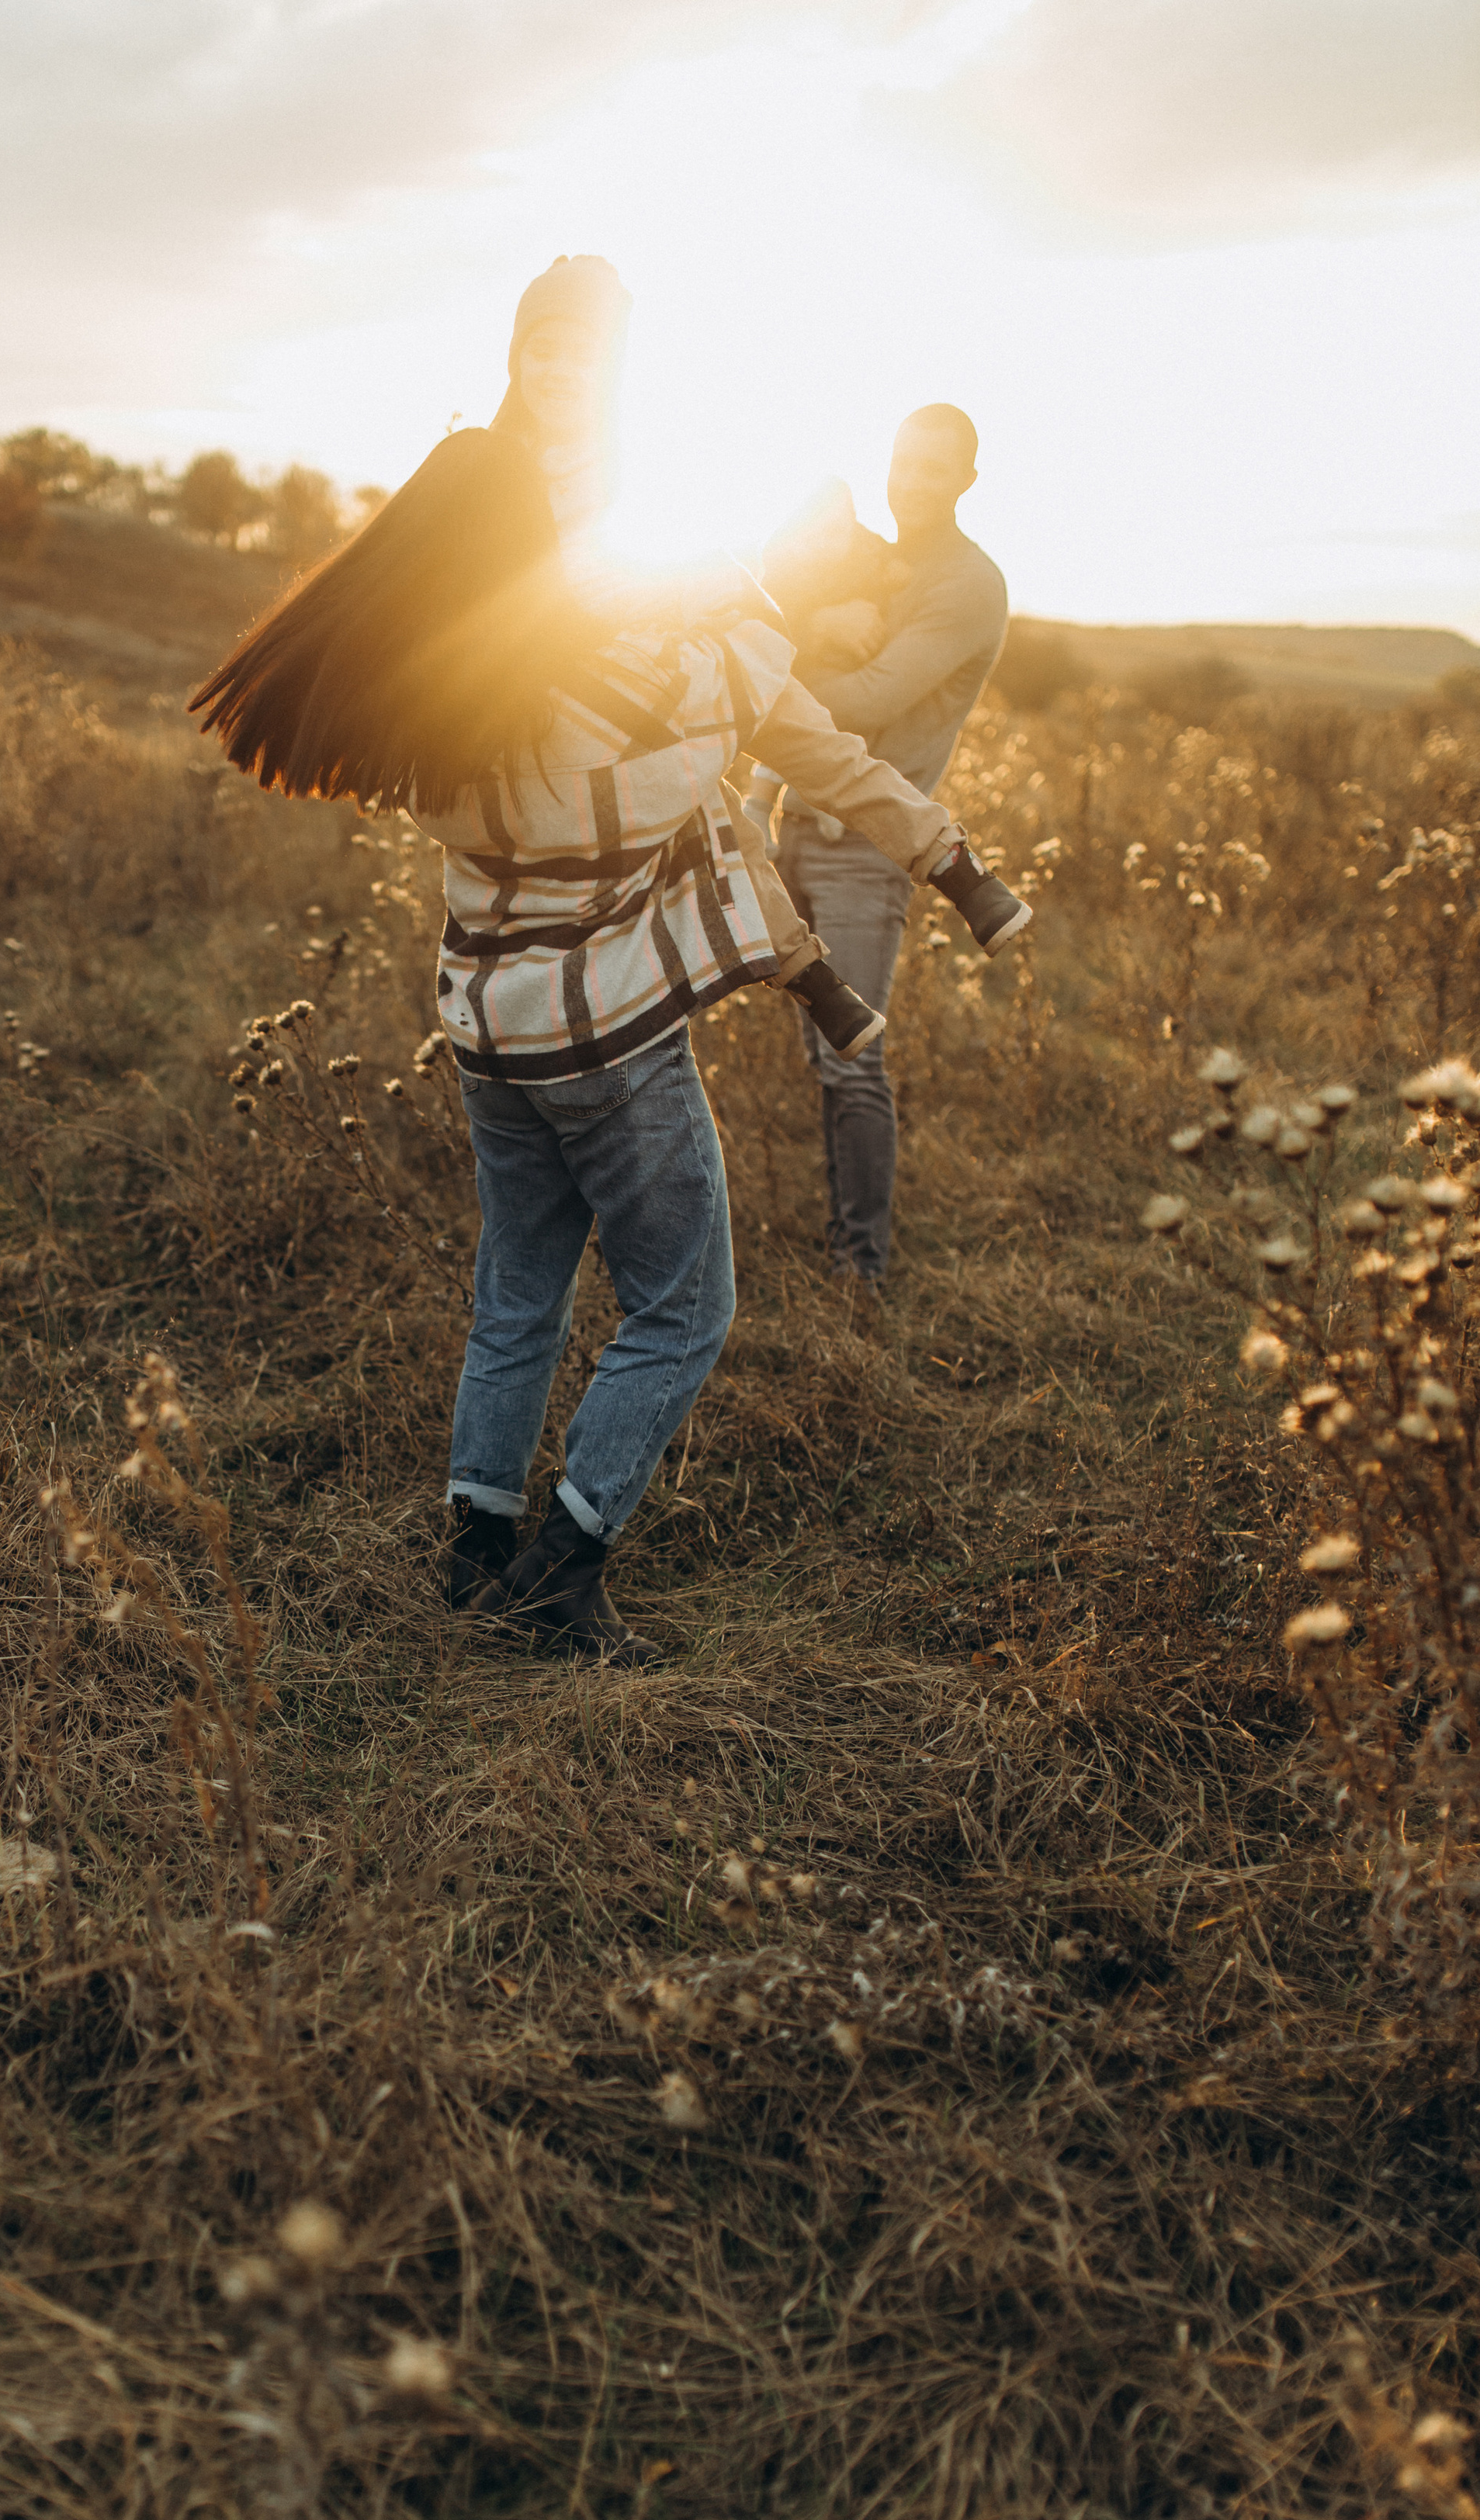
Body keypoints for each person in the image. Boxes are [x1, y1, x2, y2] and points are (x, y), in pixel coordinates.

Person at [190, 268, 1029, 1669]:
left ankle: (472, 1548)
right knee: (685, 1306)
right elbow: (810, 752)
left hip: (480, 1021)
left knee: (520, 1282)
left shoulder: (446, 686)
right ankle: (564, 1570)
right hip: (605, 1038)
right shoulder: (677, 670)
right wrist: (942, 849)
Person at [754, 405, 1022, 1291]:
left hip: (868, 852)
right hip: (797, 824)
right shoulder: (871, 553)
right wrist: (806, 632)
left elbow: (865, 699)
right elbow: (781, 588)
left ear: (966, 480)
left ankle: (860, 1268)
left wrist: (760, 685)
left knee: (852, 1063)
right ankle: (841, 1238)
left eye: (933, 468)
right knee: (822, 1055)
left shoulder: (967, 584)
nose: (911, 480)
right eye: (903, 461)